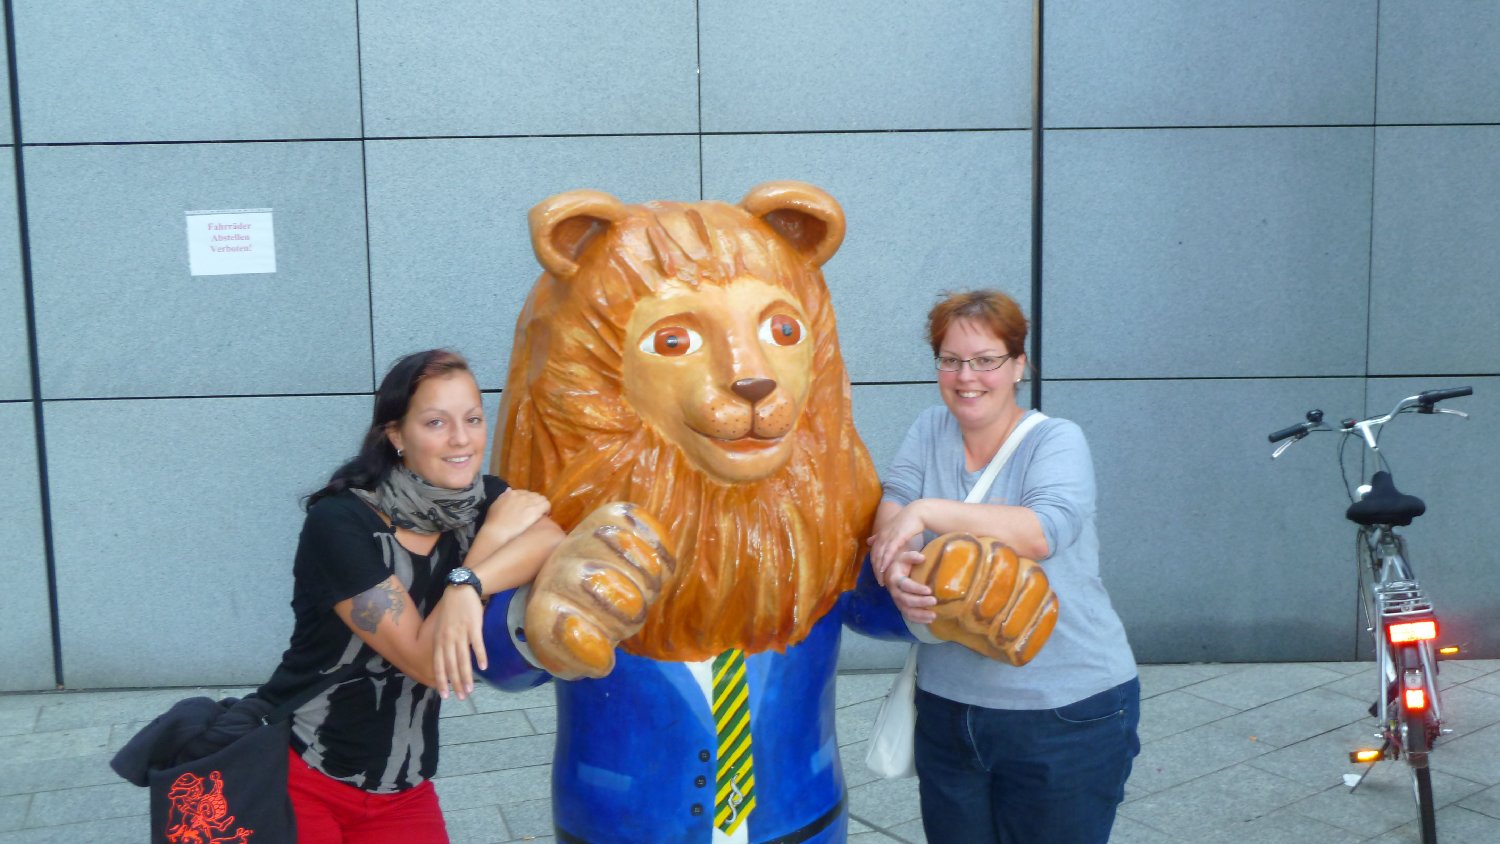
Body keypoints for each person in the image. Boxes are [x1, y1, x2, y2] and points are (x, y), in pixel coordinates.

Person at [256, 349, 563, 843]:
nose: (461, 438)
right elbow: (426, 662)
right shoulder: (341, 524)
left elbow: (550, 538)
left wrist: (470, 584)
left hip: (402, 785)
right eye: (436, 422)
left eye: (473, 419)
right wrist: (479, 559)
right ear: (397, 435)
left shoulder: (481, 498)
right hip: (300, 774)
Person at [869, 290, 1139, 844]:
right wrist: (896, 567)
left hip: (1064, 713)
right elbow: (894, 506)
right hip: (947, 707)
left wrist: (927, 511)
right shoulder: (929, 429)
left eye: (986, 360)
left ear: (1018, 365)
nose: (967, 376)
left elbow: (1042, 532)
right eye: (951, 360)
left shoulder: (1056, 440)